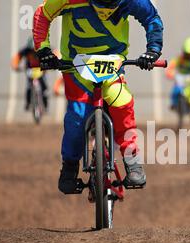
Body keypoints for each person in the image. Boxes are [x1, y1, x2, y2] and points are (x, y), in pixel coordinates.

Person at [32, 0, 164, 194]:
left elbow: (151, 17)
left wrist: (153, 50)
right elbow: (43, 14)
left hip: (112, 66)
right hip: (75, 67)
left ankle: (132, 162)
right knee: (77, 120)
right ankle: (69, 168)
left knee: (122, 103)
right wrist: (43, 50)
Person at [11, 37, 49, 111]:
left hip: (41, 69)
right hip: (30, 70)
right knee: (28, 86)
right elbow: (17, 57)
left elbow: (54, 53)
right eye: (31, 50)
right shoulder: (25, 51)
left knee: (44, 87)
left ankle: (45, 104)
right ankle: (28, 102)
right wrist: (15, 66)